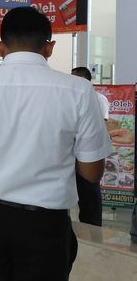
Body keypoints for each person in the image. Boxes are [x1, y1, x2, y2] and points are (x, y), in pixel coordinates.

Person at [0, 7, 110, 280]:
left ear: (0, 47)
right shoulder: (79, 91)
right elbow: (91, 173)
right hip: (45, 224)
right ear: (49, 47)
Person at [70, 66, 110, 227]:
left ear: (84, 80)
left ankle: (92, 226)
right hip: (73, 150)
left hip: (89, 150)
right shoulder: (73, 97)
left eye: (74, 77)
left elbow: (101, 124)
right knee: (78, 189)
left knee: (89, 189)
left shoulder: (98, 98)